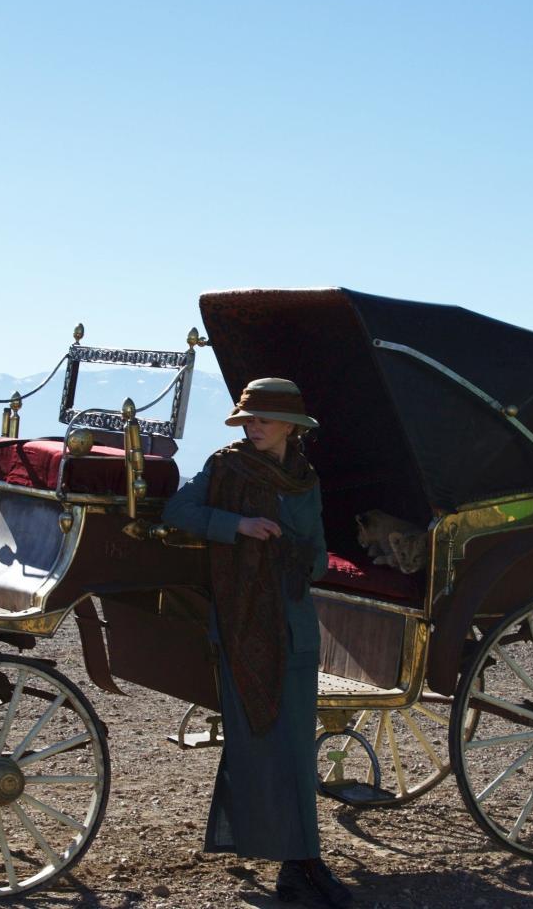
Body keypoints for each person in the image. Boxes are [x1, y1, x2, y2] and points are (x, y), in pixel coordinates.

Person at [161, 377, 352, 909]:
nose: (255, 427)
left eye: (265, 419)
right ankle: (304, 863)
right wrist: (238, 524)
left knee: (295, 750)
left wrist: (299, 558)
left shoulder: (305, 479)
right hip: (244, 627)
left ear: (292, 427)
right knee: (262, 746)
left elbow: (316, 550)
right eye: (249, 418)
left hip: (294, 627)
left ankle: (300, 866)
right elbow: (176, 512)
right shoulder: (226, 466)